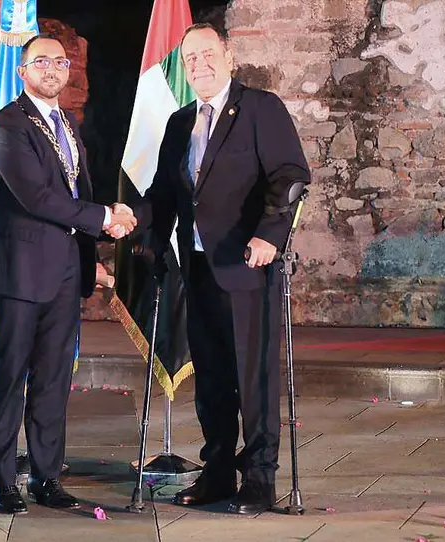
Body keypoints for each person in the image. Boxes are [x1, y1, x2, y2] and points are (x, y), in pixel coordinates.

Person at [131, 23, 310, 515]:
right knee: (211, 375)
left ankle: (258, 477)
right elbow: (164, 196)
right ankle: (216, 472)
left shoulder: (259, 108)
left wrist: (268, 236)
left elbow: (290, 176)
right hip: (198, 268)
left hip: (248, 265)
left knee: (252, 376)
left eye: (208, 55)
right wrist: (135, 225)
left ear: (229, 58)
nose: (200, 65)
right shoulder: (178, 123)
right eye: (191, 59)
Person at [0, 34, 136, 514]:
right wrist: (105, 217)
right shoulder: (6, 125)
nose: (51, 68)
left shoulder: (67, 123)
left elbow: (72, 190)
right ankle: (3, 481)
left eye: (59, 61)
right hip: (21, 274)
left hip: (66, 274)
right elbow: (37, 197)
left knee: (52, 380)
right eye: (40, 61)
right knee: (10, 378)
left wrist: (94, 248)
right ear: (22, 71)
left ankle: (47, 477)